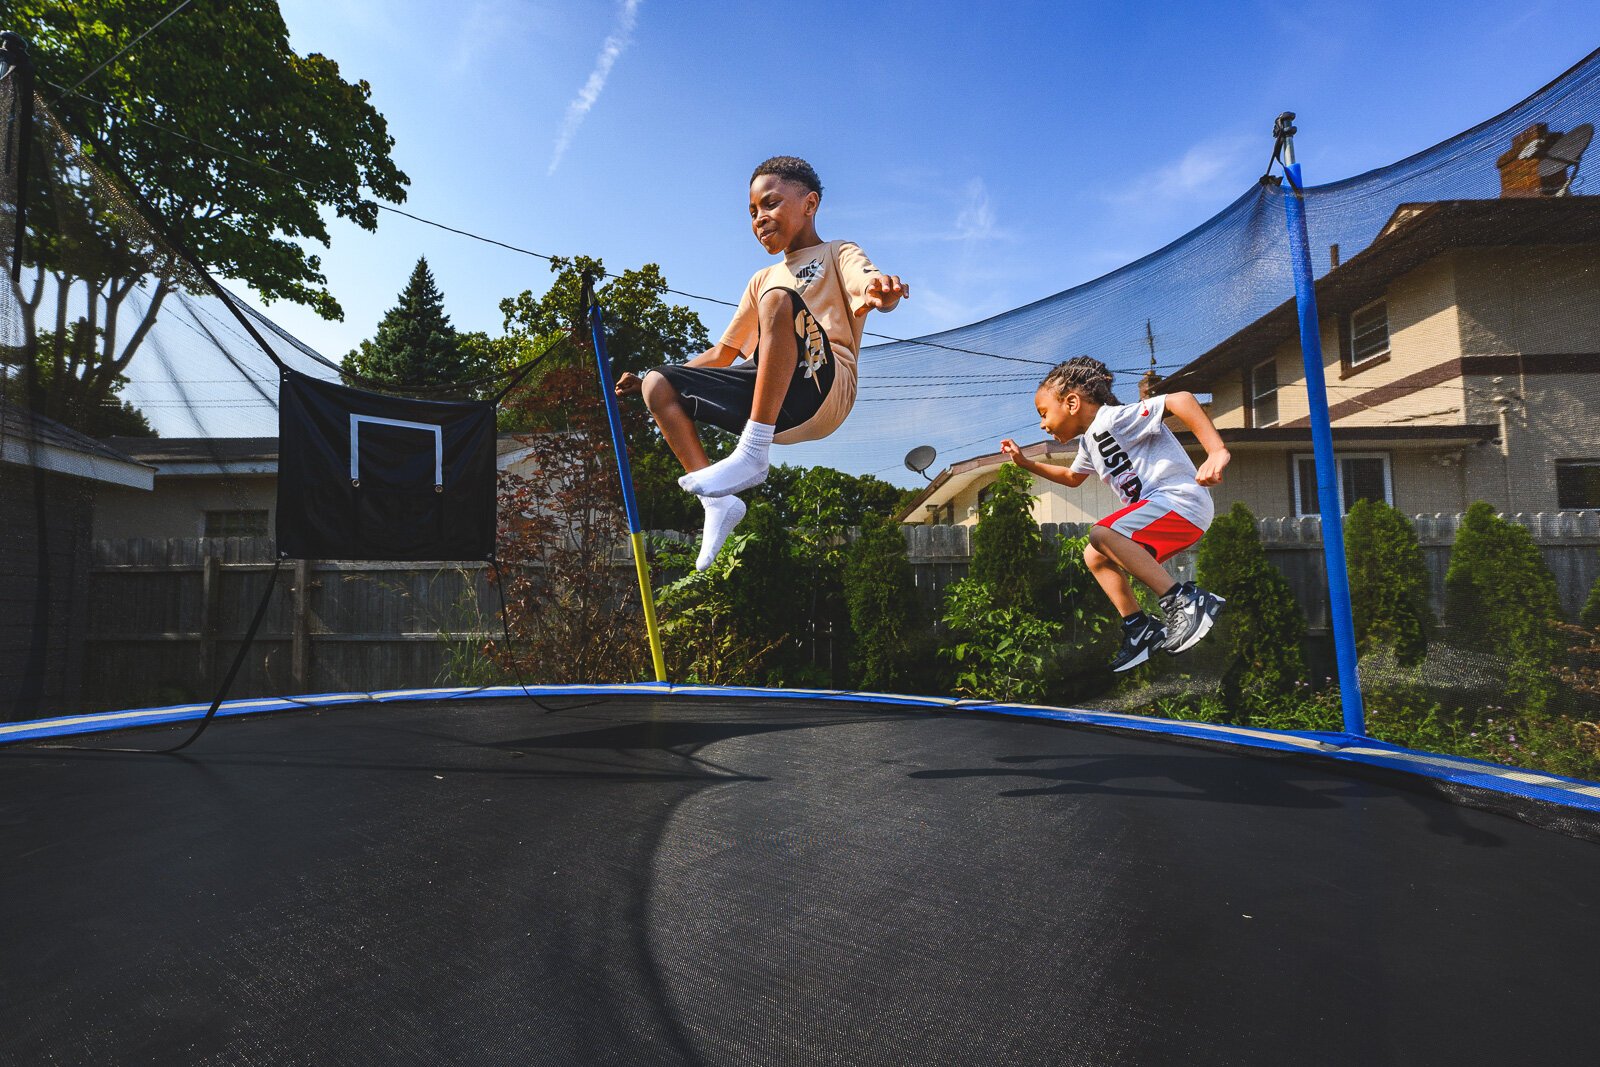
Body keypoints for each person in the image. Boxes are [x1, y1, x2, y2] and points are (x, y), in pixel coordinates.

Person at [616, 156, 907, 569]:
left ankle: (752, 452)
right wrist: (652, 378)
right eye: (752, 212)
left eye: (770, 204)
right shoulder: (760, 281)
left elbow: (866, 280)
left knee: (778, 302)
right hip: (775, 405)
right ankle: (717, 504)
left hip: (824, 386)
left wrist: (881, 292)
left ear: (809, 204)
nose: (759, 219)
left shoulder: (837, 252)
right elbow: (723, 354)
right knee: (658, 385)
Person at [1000, 356, 1231, 671]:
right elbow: (1072, 478)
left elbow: (1181, 400)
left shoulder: (1113, 418)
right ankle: (1140, 627)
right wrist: (1026, 463)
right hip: (1168, 515)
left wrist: (1216, 451)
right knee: (1094, 555)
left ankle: (1185, 601)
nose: (1043, 424)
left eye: (1044, 414)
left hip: (1180, 502)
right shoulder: (1089, 442)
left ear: (1071, 403)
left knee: (1102, 533)